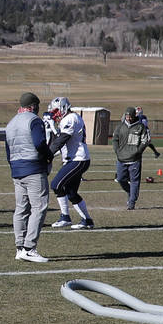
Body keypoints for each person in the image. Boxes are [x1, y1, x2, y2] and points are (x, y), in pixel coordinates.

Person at [5, 92, 51, 262]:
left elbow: (8, 150)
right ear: (33, 106)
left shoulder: (11, 123)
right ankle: (29, 248)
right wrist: (49, 156)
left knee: (21, 208)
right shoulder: (34, 120)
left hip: (17, 169)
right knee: (39, 207)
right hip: (33, 168)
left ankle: (19, 248)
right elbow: (39, 143)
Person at [48, 96, 95, 229]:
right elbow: (62, 140)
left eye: (56, 110)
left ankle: (65, 217)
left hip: (78, 159)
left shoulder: (70, 118)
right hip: (76, 158)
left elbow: (63, 139)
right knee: (71, 192)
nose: (55, 114)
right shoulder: (71, 118)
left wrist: (48, 154)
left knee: (56, 185)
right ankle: (87, 220)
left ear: (64, 107)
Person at [112, 106, 151, 208]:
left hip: (135, 159)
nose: (128, 118)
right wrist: (117, 151)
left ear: (134, 116)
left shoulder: (140, 126)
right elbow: (115, 139)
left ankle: (132, 201)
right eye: (127, 116)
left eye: (130, 116)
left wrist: (138, 151)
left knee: (134, 181)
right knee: (120, 179)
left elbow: (145, 140)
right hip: (121, 158)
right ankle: (131, 193)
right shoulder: (120, 126)